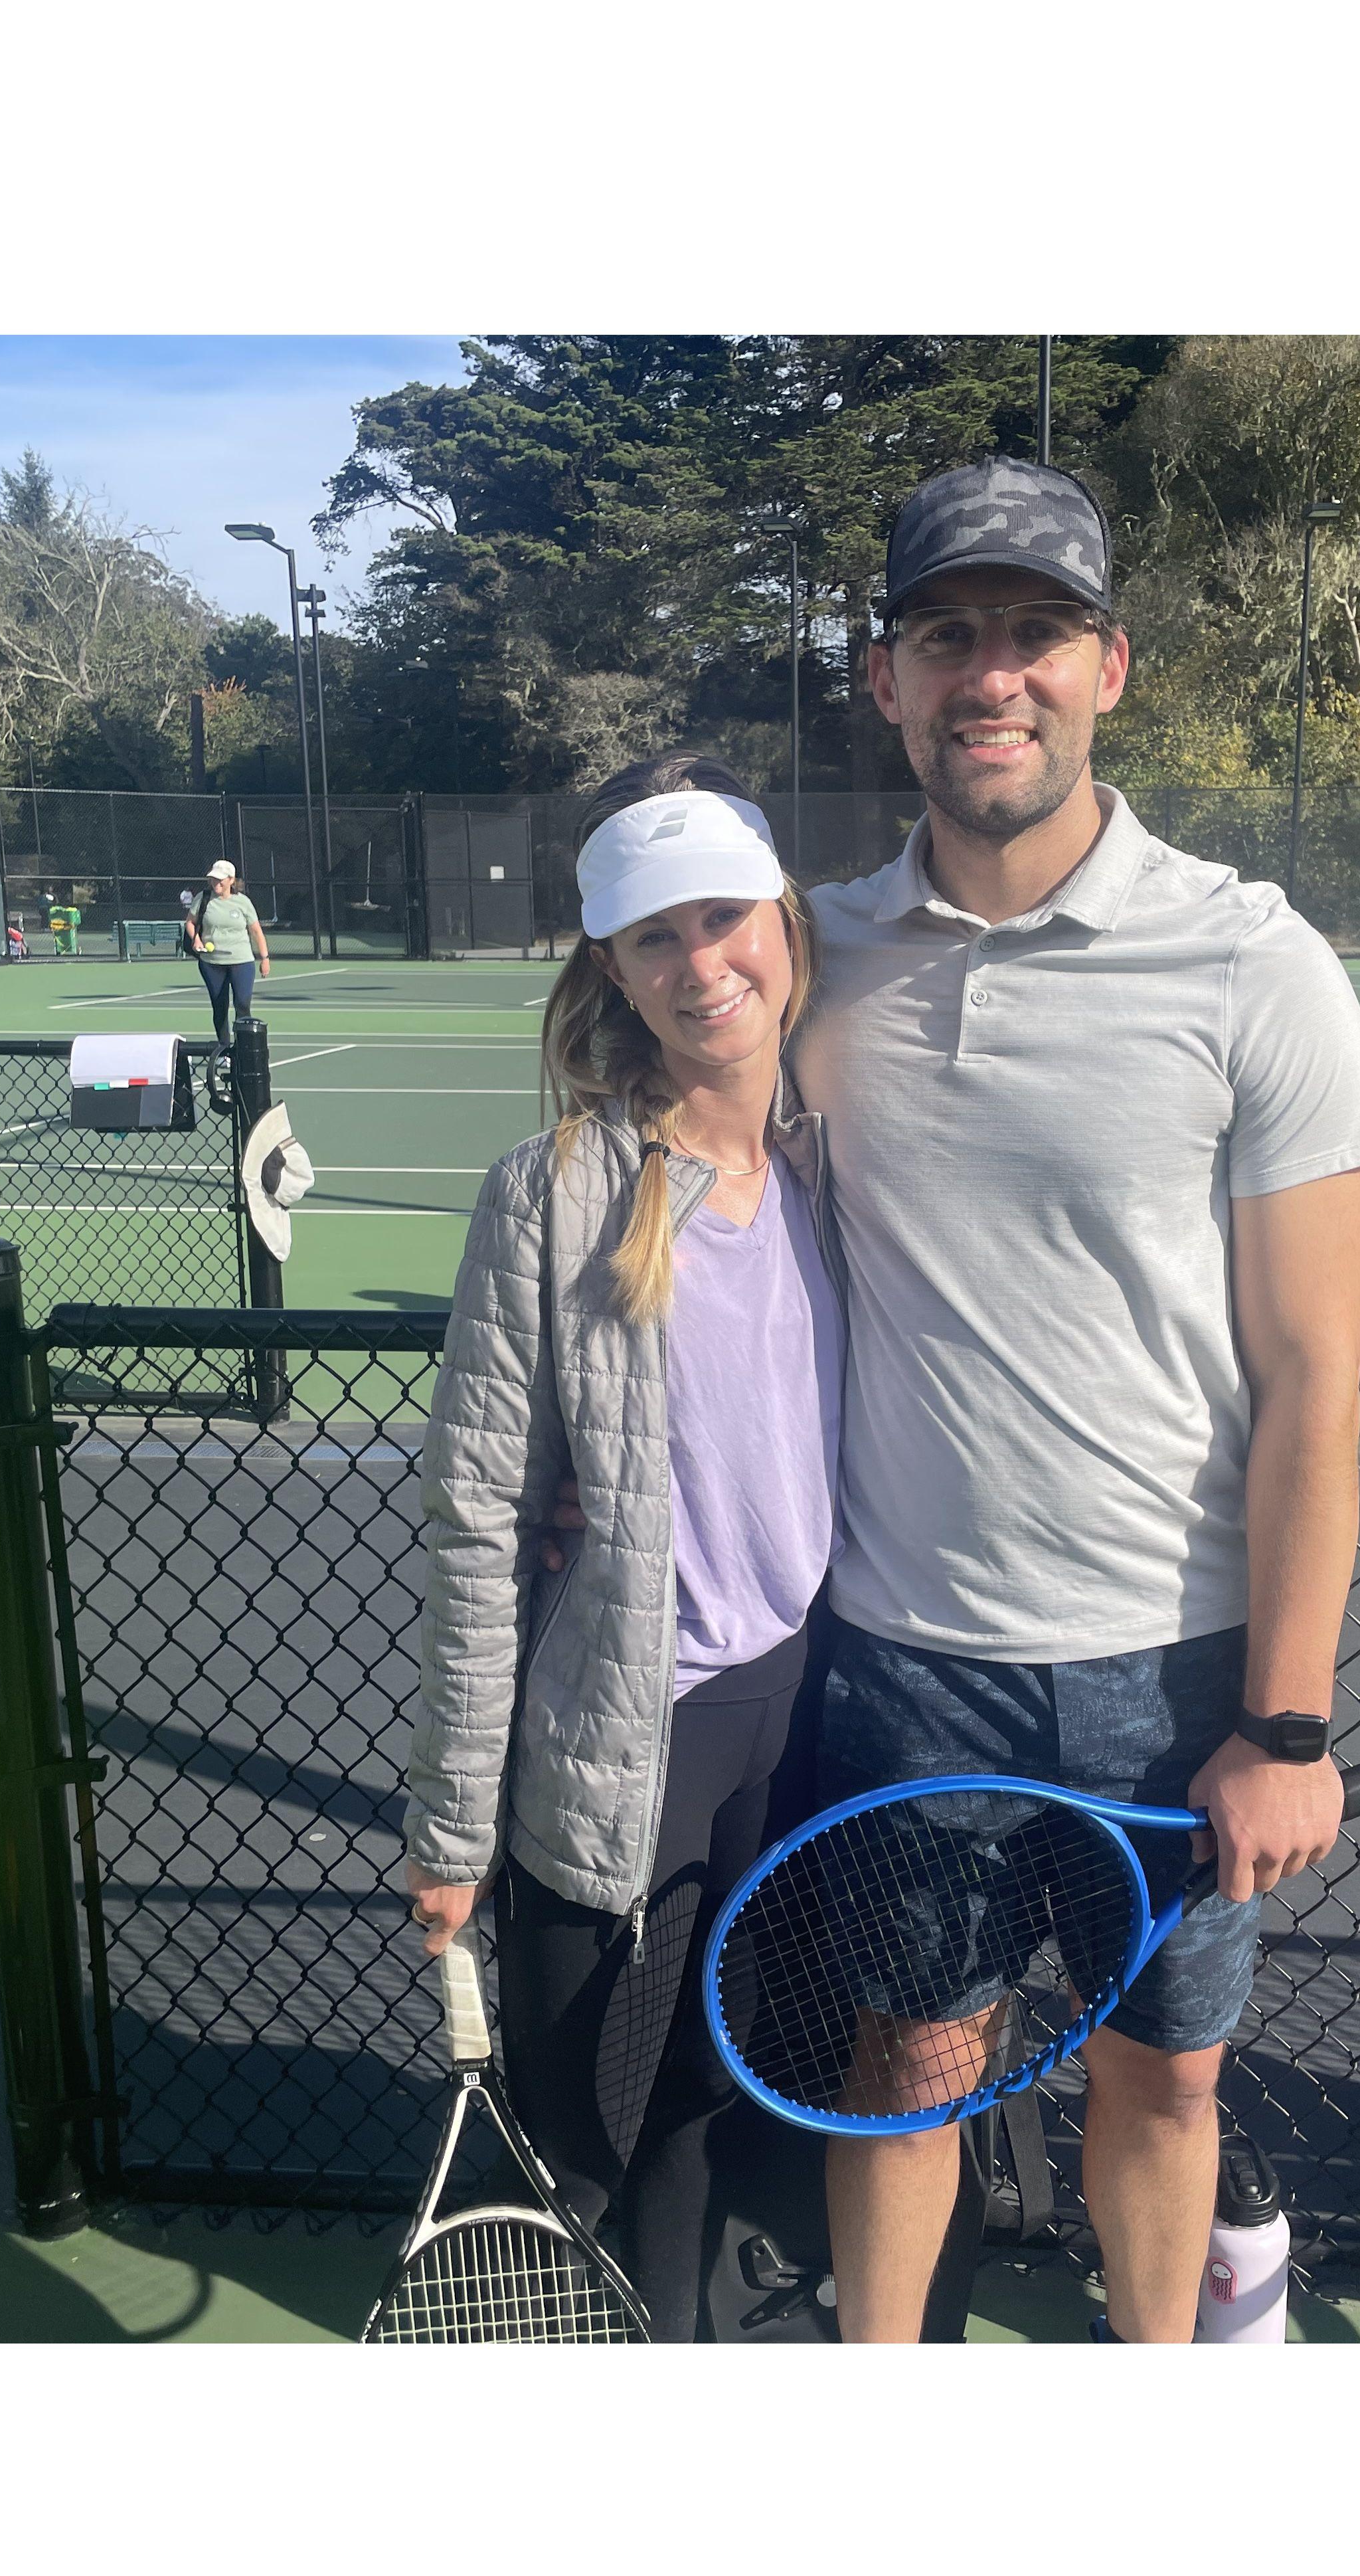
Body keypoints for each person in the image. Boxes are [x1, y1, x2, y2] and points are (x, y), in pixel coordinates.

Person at [790, 457, 1360, 2341]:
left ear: (1111, 666)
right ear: (886, 679)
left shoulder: (1253, 962)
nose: (995, 676)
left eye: (1036, 634)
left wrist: (1284, 1722)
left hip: (1179, 1673)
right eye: (949, 636)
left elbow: (1314, 1384)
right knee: (910, 2070)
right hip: (905, 1656)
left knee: (1165, 2082)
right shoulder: (813, 956)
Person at [402, 753, 843, 2342]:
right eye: (653, 938)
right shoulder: (546, 1198)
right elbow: (475, 1527)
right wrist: (455, 1829)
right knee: (587, 2140)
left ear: (786, 926)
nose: (699, 965)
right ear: (610, 970)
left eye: (725, 919)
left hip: (810, 1723)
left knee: (725, 2116)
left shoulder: (842, 1167)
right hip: (625, 1741)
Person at [188, 859, 270, 1044]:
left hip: (242, 961)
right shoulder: (203, 898)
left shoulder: (243, 903)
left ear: (231, 880)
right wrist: (196, 939)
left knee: (242, 1004)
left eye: (220, 880)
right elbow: (190, 922)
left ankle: (243, 1048)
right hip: (212, 963)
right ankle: (224, 1049)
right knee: (220, 1006)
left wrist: (264, 958)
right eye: (213, 879)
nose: (216, 883)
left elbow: (256, 931)